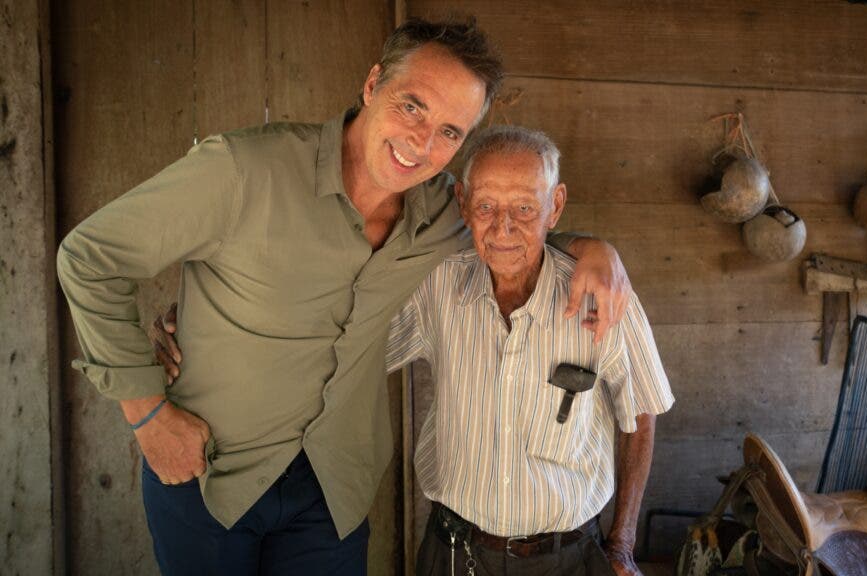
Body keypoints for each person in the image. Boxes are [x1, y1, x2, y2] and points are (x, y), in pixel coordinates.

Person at [57, 18, 632, 576]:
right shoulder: (242, 171)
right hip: (210, 475)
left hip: (330, 492)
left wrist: (594, 248)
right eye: (412, 106)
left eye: (450, 132)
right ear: (373, 83)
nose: (422, 142)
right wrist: (148, 414)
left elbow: (511, 229)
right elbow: (88, 258)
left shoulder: (444, 214)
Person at [385, 126, 674, 576]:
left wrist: (621, 544)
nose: (503, 228)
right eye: (486, 206)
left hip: (568, 558)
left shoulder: (606, 295)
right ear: (462, 202)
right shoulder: (436, 287)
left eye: (524, 207)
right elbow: (360, 346)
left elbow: (641, 414)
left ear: (554, 206)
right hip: (454, 553)